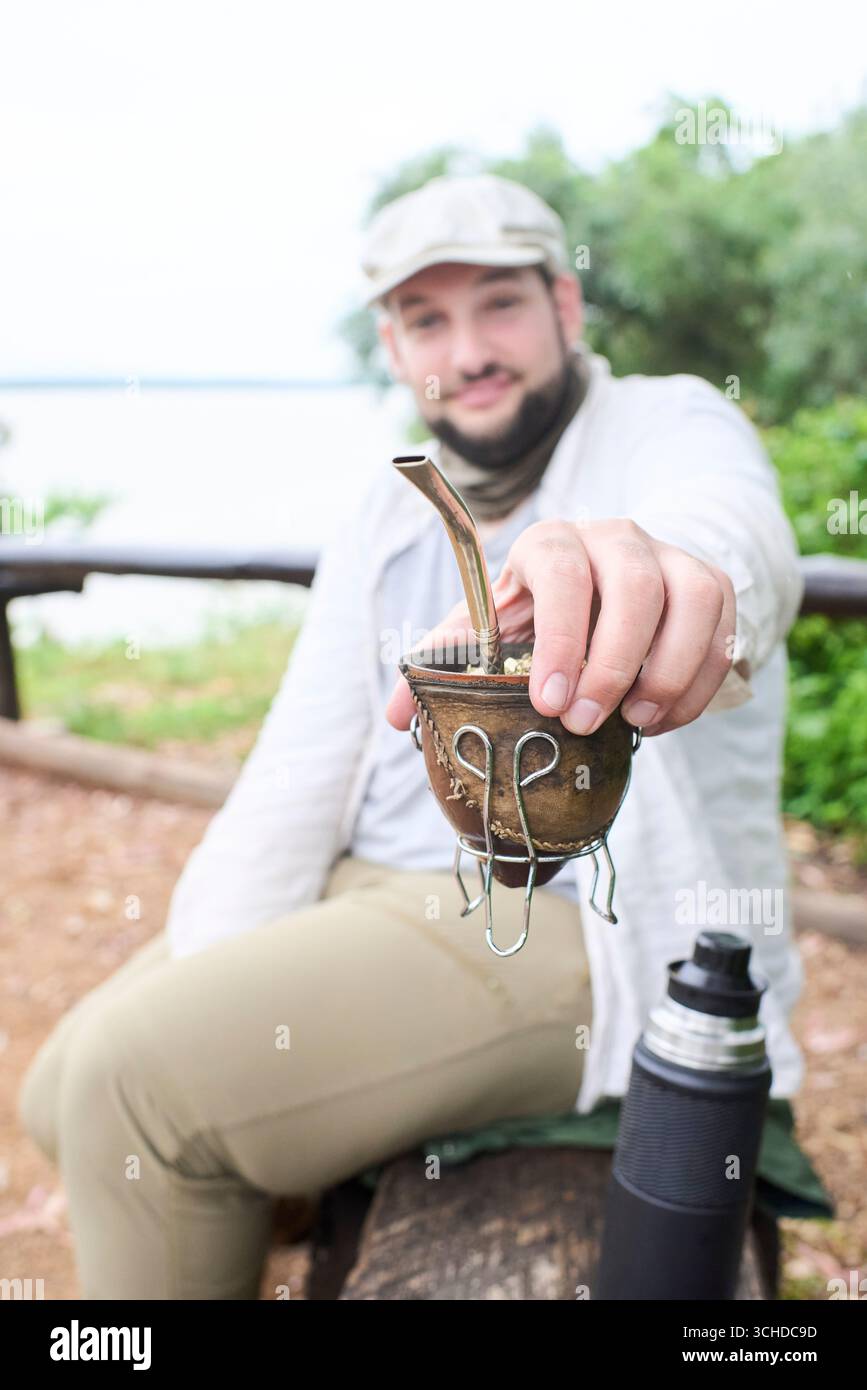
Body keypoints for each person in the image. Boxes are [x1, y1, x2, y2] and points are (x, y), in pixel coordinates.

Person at [18, 173, 806, 1300]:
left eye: (500, 305)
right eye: (428, 319)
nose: (470, 349)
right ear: (392, 345)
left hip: (582, 920)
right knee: (61, 1081)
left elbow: (728, 534)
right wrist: (213, 966)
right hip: (375, 885)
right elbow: (301, 765)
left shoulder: (666, 422)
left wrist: (669, 575)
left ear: (565, 309)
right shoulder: (390, 510)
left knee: (124, 1086)